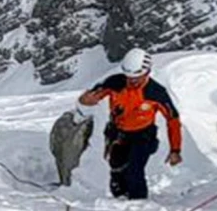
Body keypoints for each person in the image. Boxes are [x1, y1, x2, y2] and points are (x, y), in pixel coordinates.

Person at [78, 48, 182, 200]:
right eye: (129, 78)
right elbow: (92, 96)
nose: (132, 81)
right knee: (116, 169)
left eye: (136, 78)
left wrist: (175, 150)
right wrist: (86, 99)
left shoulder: (156, 92)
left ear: (147, 72)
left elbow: (172, 119)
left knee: (135, 170)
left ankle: (138, 203)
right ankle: (119, 201)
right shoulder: (115, 83)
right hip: (118, 134)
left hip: (143, 136)